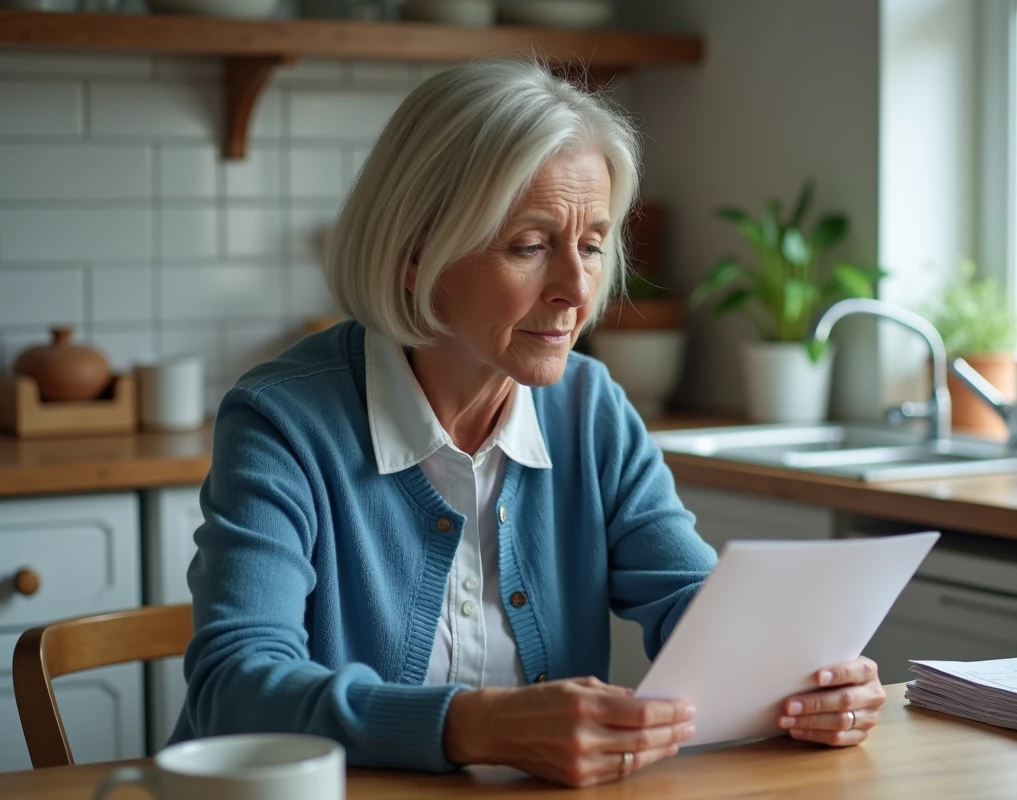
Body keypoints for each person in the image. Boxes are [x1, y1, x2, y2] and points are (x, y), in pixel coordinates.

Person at [170, 58, 886, 788]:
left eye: (592, 244)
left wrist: (810, 682)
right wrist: (482, 725)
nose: (576, 289)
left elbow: (695, 608)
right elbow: (236, 691)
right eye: (531, 245)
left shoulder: (590, 408)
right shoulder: (284, 420)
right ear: (416, 254)